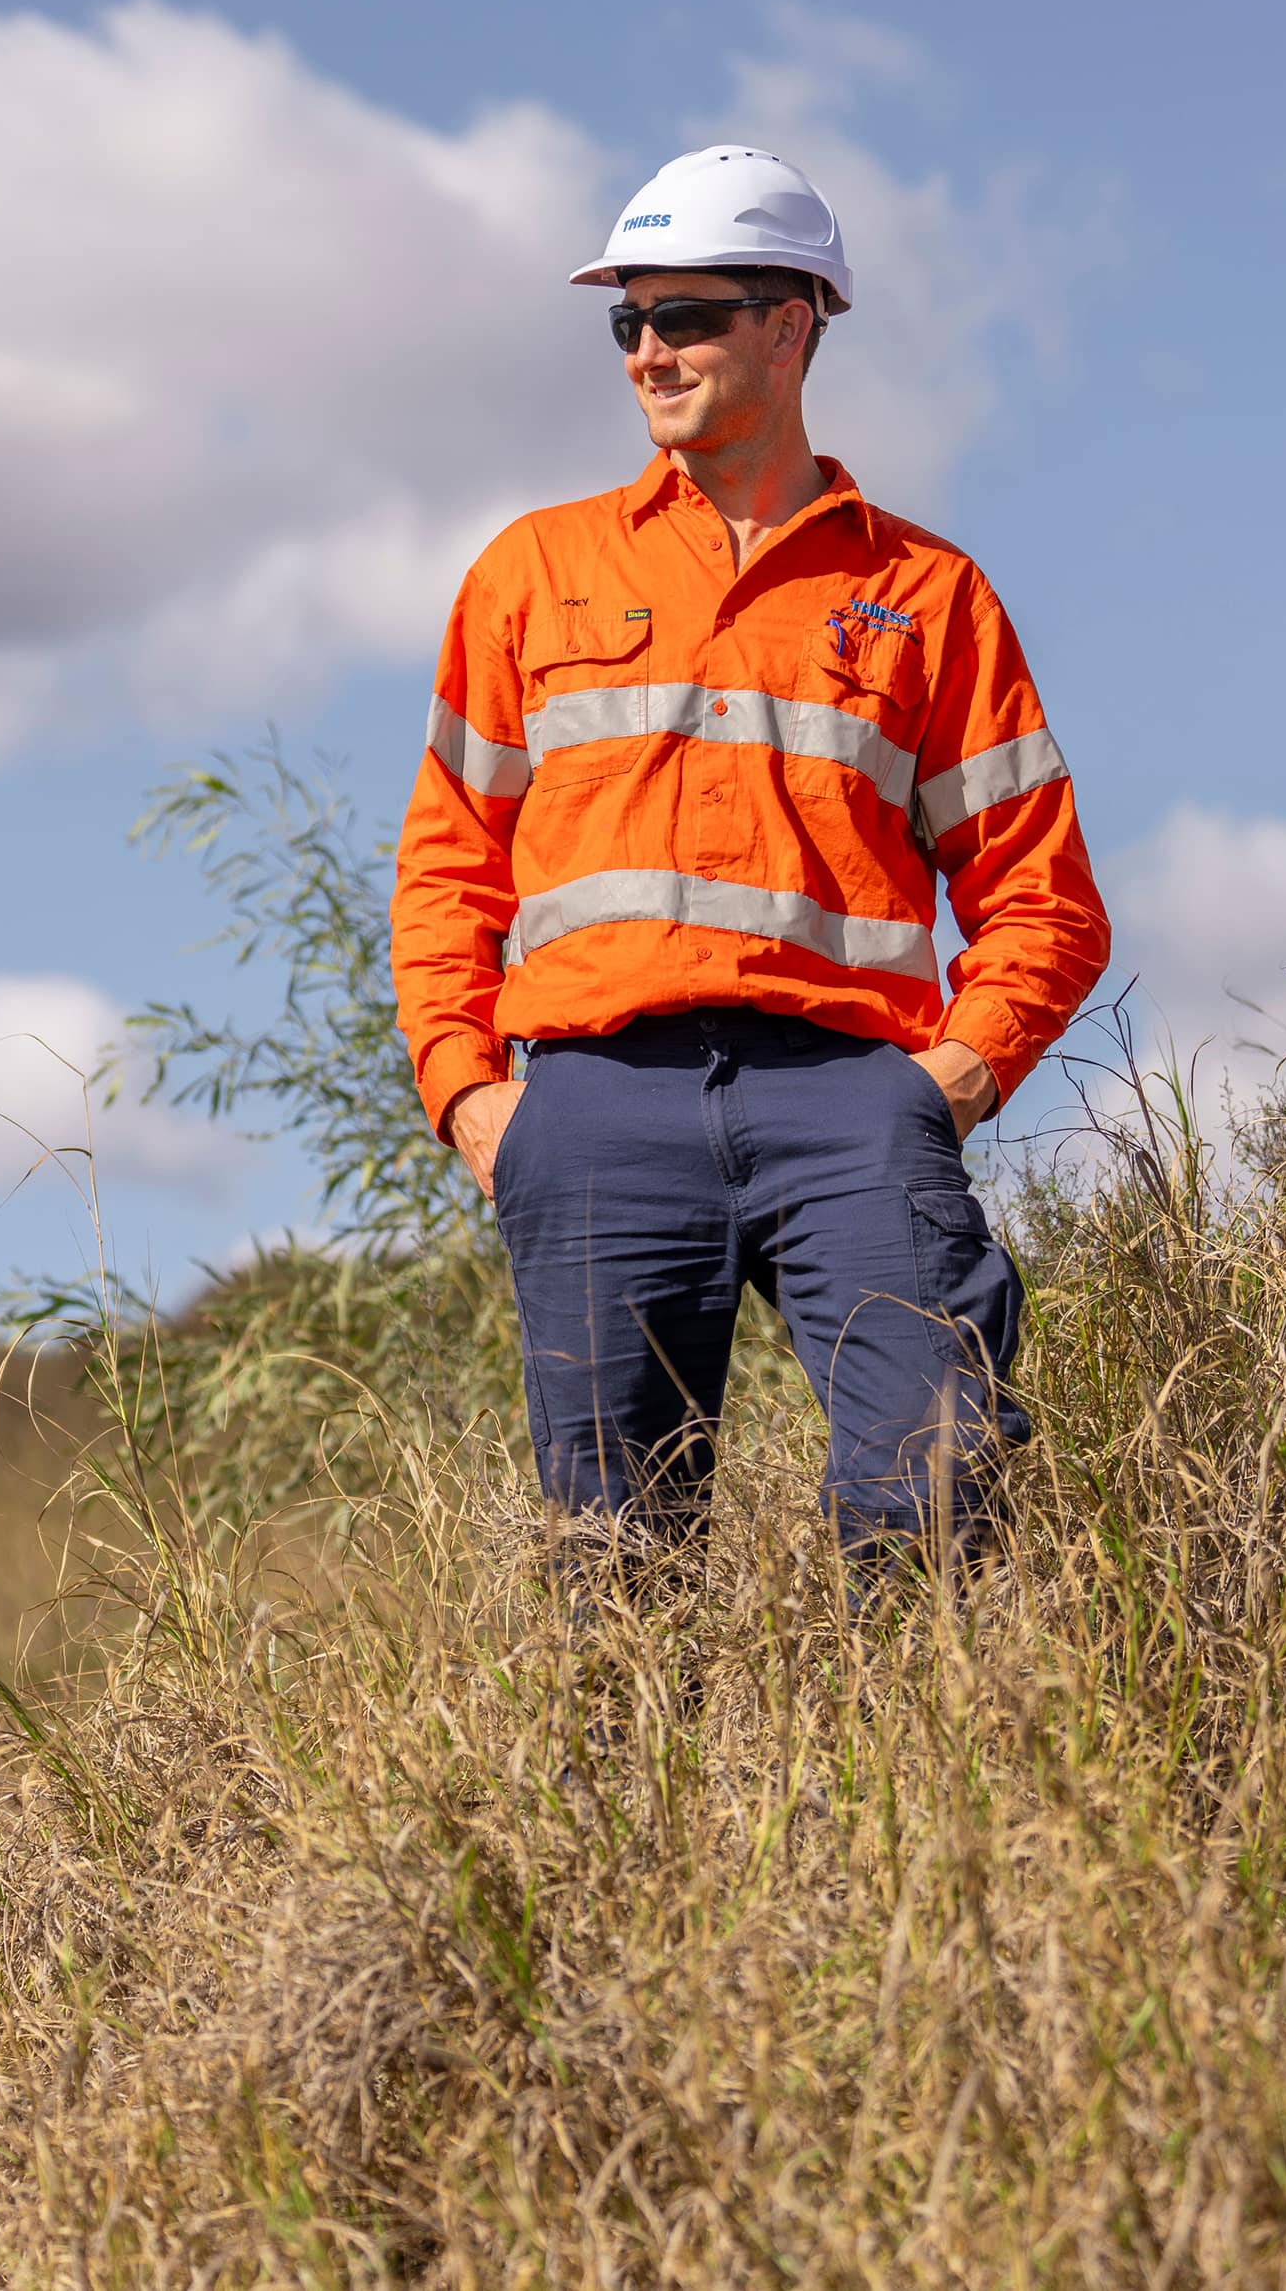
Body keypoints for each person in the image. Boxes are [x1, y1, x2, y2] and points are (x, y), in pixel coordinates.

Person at [391, 145, 1111, 1581]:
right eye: (627, 322)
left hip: (851, 1105)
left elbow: (1043, 897)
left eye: (689, 317)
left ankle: (929, 1800)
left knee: (938, 1486)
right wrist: (475, 1100)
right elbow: (446, 868)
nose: (649, 352)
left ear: (792, 326)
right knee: (616, 1560)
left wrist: (938, 1090)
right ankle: (641, 1810)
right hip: (594, 1109)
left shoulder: (927, 597)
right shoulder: (532, 573)